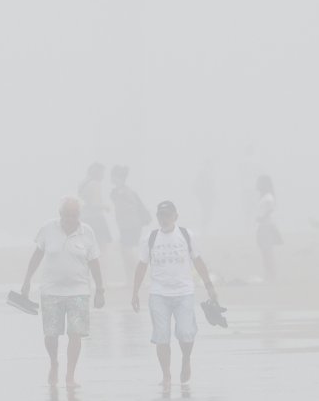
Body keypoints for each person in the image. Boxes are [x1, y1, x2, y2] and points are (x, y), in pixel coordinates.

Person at [130, 200, 219, 389]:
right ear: (158, 218)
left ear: (175, 216)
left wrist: (209, 285)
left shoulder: (186, 235)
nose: (164, 219)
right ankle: (166, 375)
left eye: (168, 215)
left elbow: (198, 260)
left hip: (184, 292)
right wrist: (135, 292)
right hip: (158, 294)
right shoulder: (150, 238)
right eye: (161, 216)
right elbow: (142, 265)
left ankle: (186, 359)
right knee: (161, 336)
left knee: (186, 333)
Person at [18, 197, 104, 390]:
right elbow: (37, 255)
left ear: (78, 216)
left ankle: (70, 375)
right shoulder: (48, 229)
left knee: (76, 334)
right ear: (60, 214)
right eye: (67, 215)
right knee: (51, 335)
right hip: (51, 291)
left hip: (79, 291)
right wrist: (26, 280)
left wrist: (100, 289)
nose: (70, 219)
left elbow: (94, 262)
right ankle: (54, 363)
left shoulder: (87, 232)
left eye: (74, 215)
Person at [109, 165, 151, 279]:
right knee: (125, 251)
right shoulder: (118, 191)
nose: (111, 178)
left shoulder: (124, 191)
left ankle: (140, 276)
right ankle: (130, 279)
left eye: (113, 175)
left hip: (131, 226)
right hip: (126, 226)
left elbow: (130, 208)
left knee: (127, 251)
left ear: (119, 177)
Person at [77, 163, 114, 253]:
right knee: (102, 245)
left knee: (87, 245)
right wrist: (106, 207)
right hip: (96, 219)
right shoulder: (95, 184)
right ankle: (102, 265)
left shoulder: (83, 183)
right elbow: (94, 205)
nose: (103, 176)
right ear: (96, 173)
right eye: (102, 173)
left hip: (84, 218)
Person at [254, 175, 282, 280]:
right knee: (265, 252)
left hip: (266, 227)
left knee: (267, 252)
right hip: (263, 226)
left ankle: (271, 275)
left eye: (259, 182)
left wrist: (262, 218)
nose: (257, 184)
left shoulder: (268, 197)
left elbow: (270, 209)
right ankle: (269, 274)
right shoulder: (265, 197)